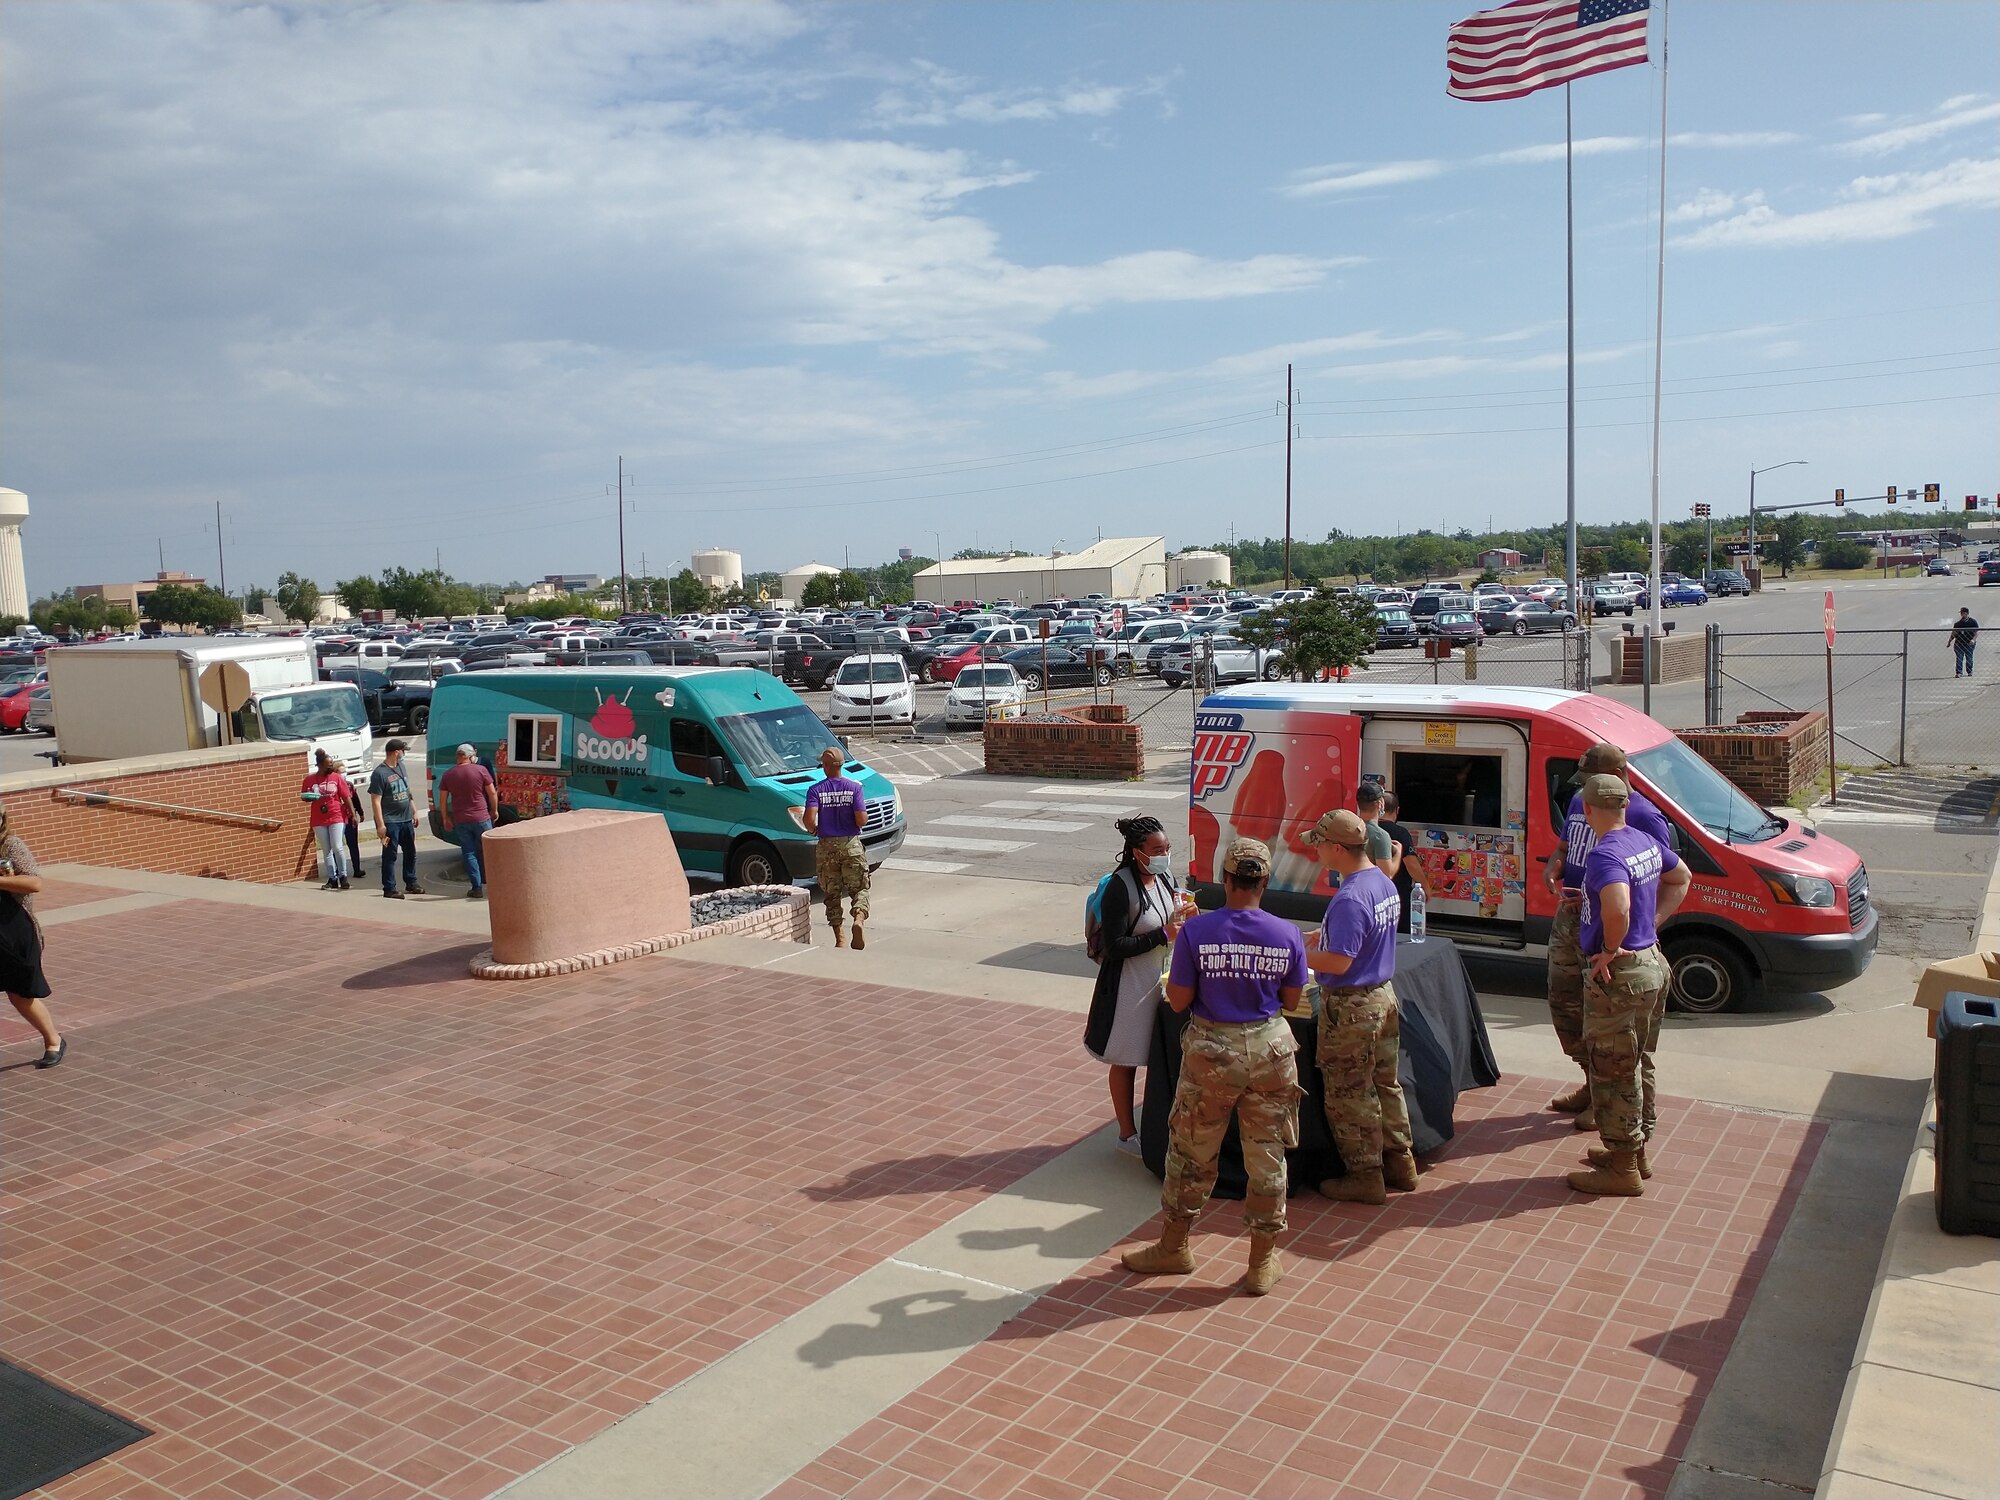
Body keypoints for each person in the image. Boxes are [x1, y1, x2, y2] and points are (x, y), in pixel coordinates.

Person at [1122, 838, 1304, 1297]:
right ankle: (1262, 1260)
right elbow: (1292, 1000)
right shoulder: (1286, 934)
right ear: (1264, 882)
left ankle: (1174, 1245)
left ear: (1225, 880)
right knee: (1267, 1154)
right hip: (1270, 1051)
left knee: (1191, 1152)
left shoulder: (1198, 933)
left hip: (1212, 1052)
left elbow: (1178, 1000)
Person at [1541, 742, 1675, 1131]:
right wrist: (1555, 867)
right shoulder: (1583, 802)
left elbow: (1666, 873)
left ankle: (1613, 1107)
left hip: (1610, 937)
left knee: (1616, 1030)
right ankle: (1591, 1081)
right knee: (1566, 1005)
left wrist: (1644, 927)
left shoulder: (1643, 817)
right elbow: (1565, 846)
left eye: (1590, 781)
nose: (1582, 790)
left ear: (1616, 779)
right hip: (1574, 916)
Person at [1568, 775, 1690, 1197]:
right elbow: (1682, 877)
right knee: (1639, 1062)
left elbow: (1617, 904)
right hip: (1652, 963)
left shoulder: (1605, 854)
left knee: (1613, 1071)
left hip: (1621, 975)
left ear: (1587, 809)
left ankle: (1622, 1167)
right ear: (1625, 804)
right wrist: (1650, 926)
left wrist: (1613, 945)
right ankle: (1635, 1151)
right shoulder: (1642, 840)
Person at [1304, 810, 1415, 1205]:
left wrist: (1296, 953)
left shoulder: (1349, 897)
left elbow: (1338, 962)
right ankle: (1400, 1161)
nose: (1314, 851)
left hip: (1352, 1007)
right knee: (1386, 1082)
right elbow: (1366, 936)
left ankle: (1364, 1175)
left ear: (1337, 848)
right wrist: (1324, 935)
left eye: (1318, 843)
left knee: (1349, 1092)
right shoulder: (1381, 882)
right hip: (1381, 996)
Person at [1083, 816, 1191, 1155]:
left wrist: (1186, 915)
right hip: (1128, 986)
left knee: (1159, 1053)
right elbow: (1115, 946)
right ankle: (1127, 1135)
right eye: (1157, 850)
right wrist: (1163, 935)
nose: (1164, 855)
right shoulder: (1120, 887)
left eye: (1167, 849)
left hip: (1160, 981)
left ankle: (1158, 1122)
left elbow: (1172, 917)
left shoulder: (1164, 878)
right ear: (1136, 852)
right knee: (1126, 1058)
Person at [0, 807, 63, 1067]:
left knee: (20, 994)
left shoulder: (10, 845)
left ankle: (53, 1040)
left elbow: (34, 883)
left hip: (16, 933)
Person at [803, 747, 869, 948]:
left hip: (827, 847)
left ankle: (840, 938)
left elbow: (808, 819)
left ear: (825, 766)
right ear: (842, 765)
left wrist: (814, 830)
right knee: (859, 888)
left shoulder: (816, 790)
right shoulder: (854, 788)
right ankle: (858, 919)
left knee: (832, 894)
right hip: (851, 845)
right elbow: (861, 819)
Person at [438, 743, 500, 900]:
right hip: (482, 817)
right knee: (488, 850)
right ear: (470, 756)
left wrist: (445, 817)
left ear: (458, 757)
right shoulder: (481, 770)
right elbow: (492, 792)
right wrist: (495, 810)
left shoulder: (448, 775)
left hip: (461, 819)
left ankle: (476, 887)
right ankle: (495, 885)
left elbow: (443, 799)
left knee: (469, 853)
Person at [369, 739, 425, 899]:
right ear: (396, 752)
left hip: (406, 819)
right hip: (390, 822)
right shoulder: (380, 773)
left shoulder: (401, 767)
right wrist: (380, 825)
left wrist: (414, 811)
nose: (404, 753)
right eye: (403, 751)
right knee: (390, 855)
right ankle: (389, 888)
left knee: (410, 852)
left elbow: (407, 791)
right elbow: (375, 800)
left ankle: (411, 881)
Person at [301, 748, 354, 891]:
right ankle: (332, 878)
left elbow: (346, 796)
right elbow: (304, 796)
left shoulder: (336, 778)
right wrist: (309, 797)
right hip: (319, 818)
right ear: (320, 765)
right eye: (328, 764)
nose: (331, 766)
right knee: (326, 849)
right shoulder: (310, 779)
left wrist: (353, 814)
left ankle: (343, 876)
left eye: (332, 764)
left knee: (337, 846)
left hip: (336, 815)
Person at [1378, 790, 1422, 933]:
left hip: (1373, 893)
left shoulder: (1366, 830)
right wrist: (1426, 888)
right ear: (1397, 810)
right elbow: (1412, 864)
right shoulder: (1400, 833)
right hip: (1398, 894)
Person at [1355, 781, 1400, 881]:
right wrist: (1398, 853)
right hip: (1368, 891)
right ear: (1380, 804)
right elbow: (1387, 875)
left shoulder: (1350, 827)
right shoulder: (1380, 836)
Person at [337, 759, 366, 880]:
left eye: (345, 771)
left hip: (350, 817)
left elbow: (355, 800)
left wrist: (360, 812)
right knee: (337, 846)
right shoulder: (333, 786)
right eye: (341, 772)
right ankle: (338, 871)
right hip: (338, 818)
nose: (344, 774)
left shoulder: (349, 785)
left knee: (353, 844)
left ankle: (357, 869)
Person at [1951, 607, 1979, 677]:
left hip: (1969, 644)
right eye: (1961, 613)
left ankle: (1969, 671)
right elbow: (1954, 633)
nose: (1961, 614)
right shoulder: (1958, 624)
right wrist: (1949, 641)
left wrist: (1973, 640)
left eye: (1962, 613)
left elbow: (1976, 632)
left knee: (1969, 658)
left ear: (1966, 613)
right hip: (1959, 644)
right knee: (1959, 658)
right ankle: (1959, 672)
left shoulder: (1972, 622)